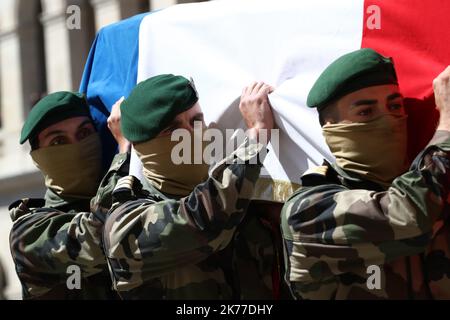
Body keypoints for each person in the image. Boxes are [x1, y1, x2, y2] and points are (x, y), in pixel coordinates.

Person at [281, 48, 450, 299]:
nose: (389, 120)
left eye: (394, 106)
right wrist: (447, 125)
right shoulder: (307, 213)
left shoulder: (432, 184)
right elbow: (409, 216)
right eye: (366, 112)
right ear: (333, 129)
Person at [102, 74, 277, 299]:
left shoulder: (240, 193)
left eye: (196, 122)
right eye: (173, 129)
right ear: (144, 145)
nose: (191, 134)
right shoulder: (125, 223)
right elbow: (204, 219)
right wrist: (257, 135)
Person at [9, 91, 130, 299]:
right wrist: (124, 155)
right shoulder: (30, 233)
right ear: (39, 157)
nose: (76, 146)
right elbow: (108, 235)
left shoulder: (130, 191)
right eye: (58, 141)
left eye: (84, 134)